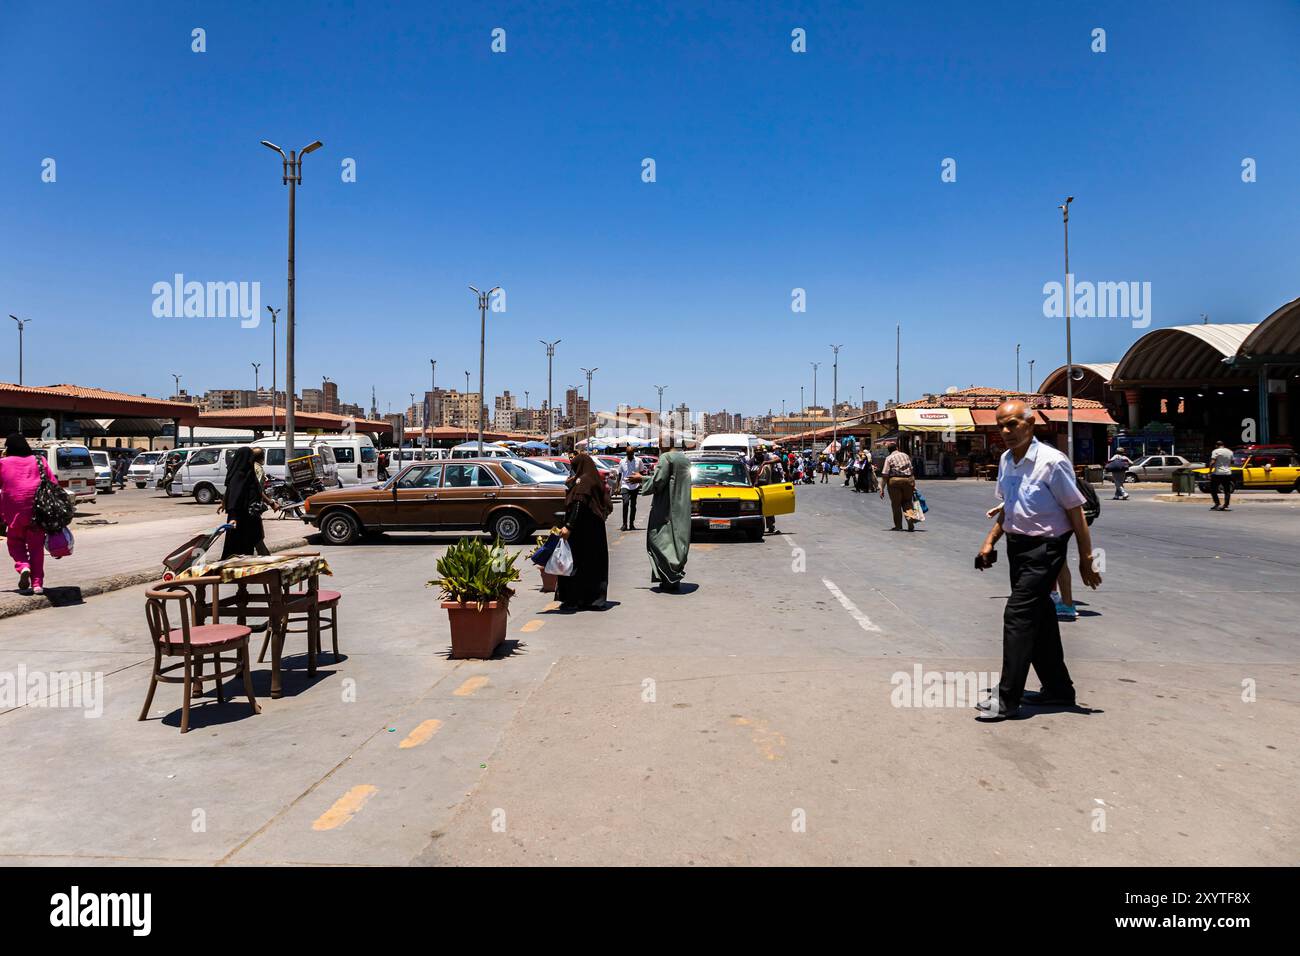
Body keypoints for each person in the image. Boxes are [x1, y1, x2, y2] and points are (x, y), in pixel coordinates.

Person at [974, 400, 1102, 719]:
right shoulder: (1006, 460)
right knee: (1041, 620)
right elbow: (1010, 507)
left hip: (1047, 549)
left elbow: (1076, 512)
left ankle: (1007, 699)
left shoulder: (1052, 462)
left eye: (1013, 424)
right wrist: (990, 542)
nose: (1006, 431)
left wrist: (1087, 559)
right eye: (1000, 425)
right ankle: (1058, 690)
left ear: (1030, 425)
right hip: (1017, 548)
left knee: (1018, 615)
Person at [556, 452, 611, 609]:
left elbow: (579, 503)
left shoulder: (584, 481)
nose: (572, 471)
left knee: (577, 564)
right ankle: (591, 599)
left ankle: (575, 599)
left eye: (574, 467)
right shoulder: (591, 478)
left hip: (583, 532)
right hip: (594, 532)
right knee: (593, 565)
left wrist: (569, 526)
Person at [639, 432, 692, 592]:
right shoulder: (684, 458)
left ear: (664, 443)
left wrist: (640, 480)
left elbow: (658, 481)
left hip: (666, 506)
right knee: (677, 540)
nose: (658, 445)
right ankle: (672, 578)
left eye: (659, 441)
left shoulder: (666, 458)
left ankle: (669, 578)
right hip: (681, 507)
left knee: (656, 538)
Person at [0, 434, 49, 594]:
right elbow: (52, 482)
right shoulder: (40, 460)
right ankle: (37, 584)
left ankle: (23, 566)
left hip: (14, 513)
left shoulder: (3, 463)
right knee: (36, 548)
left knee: (14, 542)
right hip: (37, 512)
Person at [220, 447, 268, 558]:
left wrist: (270, 502)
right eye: (250, 457)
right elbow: (234, 497)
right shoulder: (239, 475)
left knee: (249, 547)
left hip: (249, 518)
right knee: (237, 549)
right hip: (239, 519)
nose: (251, 460)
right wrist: (232, 517)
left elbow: (257, 491)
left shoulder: (248, 473)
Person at [879, 445, 916, 531]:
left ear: (889, 451)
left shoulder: (889, 458)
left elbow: (885, 474)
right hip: (908, 480)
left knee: (896, 504)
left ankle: (898, 526)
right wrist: (913, 485)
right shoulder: (905, 455)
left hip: (894, 482)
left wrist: (882, 488)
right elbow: (911, 470)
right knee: (907, 502)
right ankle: (910, 522)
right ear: (897, 448)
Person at [619, 446, 643, 531]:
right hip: (625, 485)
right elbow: (620, 474)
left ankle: (631, 524)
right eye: (628, 454)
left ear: (633, 453)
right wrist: (618, 487)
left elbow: (641, 472)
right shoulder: (622, 461)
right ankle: (624, 524)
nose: (629, 455)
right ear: (626, 453)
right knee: (625, 503)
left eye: (631, 454)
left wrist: (640, 483)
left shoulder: (639, 461)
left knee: (633, 505)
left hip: (635, 485)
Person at [1207, 440, 1234, 511]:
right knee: (1227, 490)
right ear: (1223, 445)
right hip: (1227, 473)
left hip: (1218, 473)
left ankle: (1217, 503)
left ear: (1216, 445)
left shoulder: (1215, 451)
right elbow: (1232, 461)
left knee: (1213, 489)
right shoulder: (1230, 452)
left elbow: (1212, 462)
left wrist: (1210, 471)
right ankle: (1226, 504)